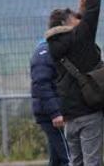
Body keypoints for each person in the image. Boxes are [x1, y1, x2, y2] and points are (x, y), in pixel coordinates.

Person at [45, 0, 104, 166]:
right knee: (92, 163)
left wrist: (80, 8)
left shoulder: (53, 45)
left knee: (76, 162)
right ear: (68, 23)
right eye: (75, 17)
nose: (78, 18)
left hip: (69, 117)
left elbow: (82, 23)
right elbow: (93, 12)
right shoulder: (79, 39)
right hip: (88, 113)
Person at [31, 35, 70, 166]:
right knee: (68, 157)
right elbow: (42, 85)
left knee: (57, 158)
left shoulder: (52, 51)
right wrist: (55, 113)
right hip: (52, 114)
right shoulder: (45, 53)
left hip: (53, 111)